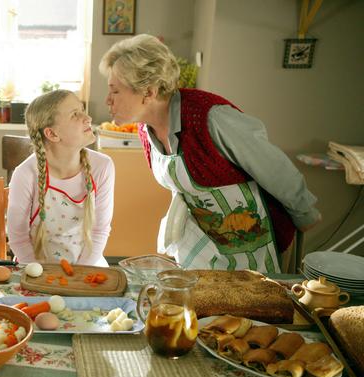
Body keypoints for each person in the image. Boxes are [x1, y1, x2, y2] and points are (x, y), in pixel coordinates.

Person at [100, 34, 321, 272]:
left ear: (149, 92)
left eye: (115, 91)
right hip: (202, 240)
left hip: (256, 241)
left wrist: (304, 215)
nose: (107, 100)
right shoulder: (146, 129)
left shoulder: (210, 117)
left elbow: (275, 169)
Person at [7, 90, 115, 267]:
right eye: (75, 115)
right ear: (52, 134)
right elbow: (18, 239)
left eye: (82, 110)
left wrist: (78, 276)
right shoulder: (25, 174)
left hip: (87, 266)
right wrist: (41, 276)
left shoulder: (103, 167)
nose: (87, 117)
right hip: (35, 268)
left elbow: (99, 231)